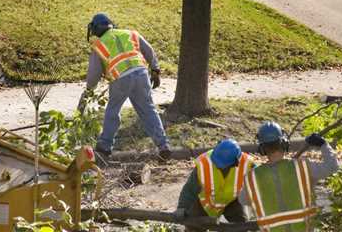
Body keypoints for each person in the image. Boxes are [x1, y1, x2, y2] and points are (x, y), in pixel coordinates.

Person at [78, 13, 171, 159]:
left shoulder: (99, 45)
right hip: (141, 74)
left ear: (95, 29)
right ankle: (163, 145)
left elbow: (94, 74)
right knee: (148, 110)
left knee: (113, 111)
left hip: (120, 79)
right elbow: (148, 50)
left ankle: (104, 147)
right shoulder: (130, 33)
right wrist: (155, 70)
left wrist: (90, 89)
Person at [239, 121, 339, 232]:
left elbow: (243, 200)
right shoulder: (303, 167)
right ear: (284, 143)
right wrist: (323, 144)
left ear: (262, 149)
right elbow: (332, 166)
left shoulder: (252, 177)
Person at [176, 139, 256, 231]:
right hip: (206, 202)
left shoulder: (248, 164)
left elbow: (260, 184)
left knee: (241, 226)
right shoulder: (204, 162)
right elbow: (190, 188)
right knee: (192, 225)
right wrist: (182, 207)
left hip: (232, 201)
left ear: (235, 163)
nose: (218, 166)